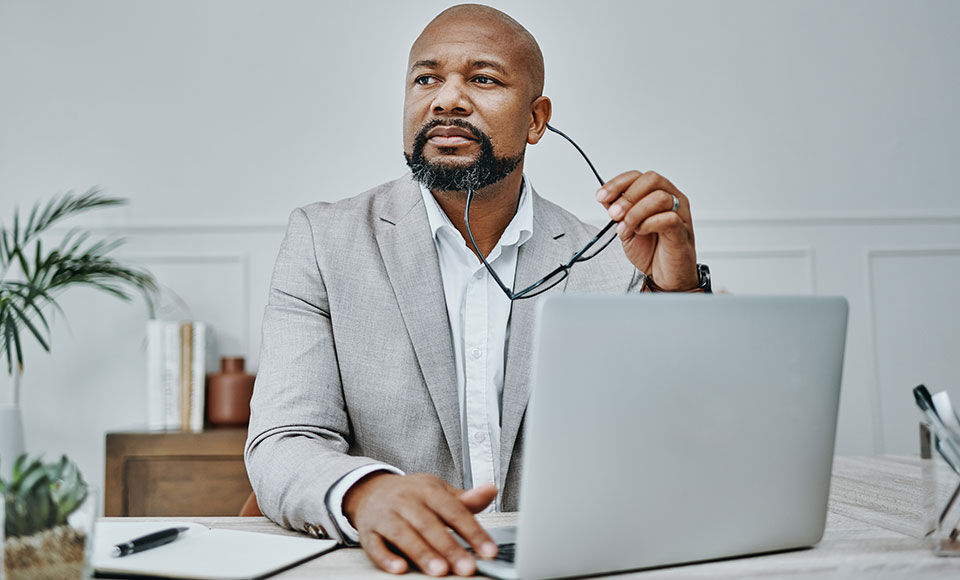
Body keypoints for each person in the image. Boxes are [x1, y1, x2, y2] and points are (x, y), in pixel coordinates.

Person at [245, 3, 708, 577]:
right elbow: (283, 441)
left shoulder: (613, 257)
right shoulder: (323, 240)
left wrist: (679, 289)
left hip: (573, 566)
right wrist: (366, 494)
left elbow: (685, 445)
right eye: (426, 78)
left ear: (537, 120)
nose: (446, 99)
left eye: (483, 79)